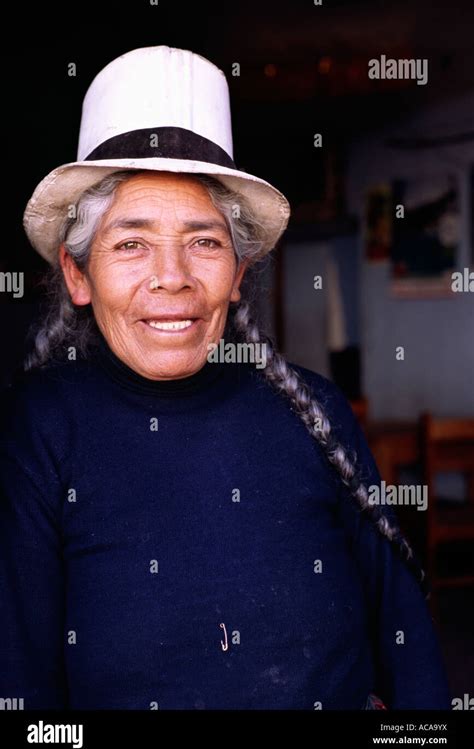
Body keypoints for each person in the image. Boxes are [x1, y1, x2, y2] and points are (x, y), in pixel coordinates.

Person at [0, 46, 450, 710]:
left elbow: (410, 653)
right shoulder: (40, 431)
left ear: (239, 276)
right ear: (77, 275)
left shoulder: (315, 412)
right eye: (131, 243)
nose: (173, 276)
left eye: (204, 241)